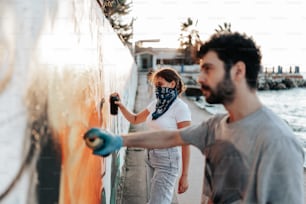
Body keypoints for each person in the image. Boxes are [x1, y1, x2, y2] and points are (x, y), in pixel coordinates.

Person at [84, 32, 305, 204]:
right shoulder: (216, 125)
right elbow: (170, 138)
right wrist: (120, 141)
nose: (199, 79)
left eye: (208, 69)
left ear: (238, 71)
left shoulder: (278, 141)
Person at [110, 67, 192, 204]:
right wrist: (120, 105)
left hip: (168, 160)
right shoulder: (156, 104)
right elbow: (135, 119)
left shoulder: (180, 108)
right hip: (151, 157)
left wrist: (184, 175)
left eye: (160, 84)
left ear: (172, 84)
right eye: (155, 85)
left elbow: (186, 141)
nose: (157, 89)